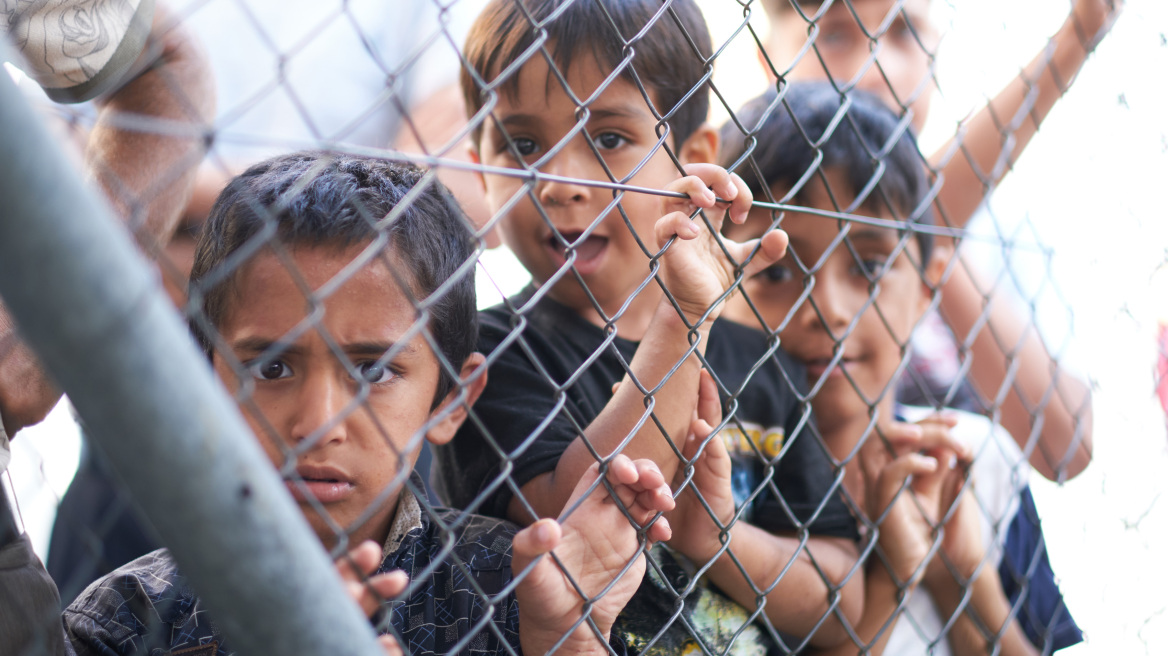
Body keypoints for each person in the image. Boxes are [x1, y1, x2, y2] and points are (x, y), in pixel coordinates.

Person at [1, 151, 678, 655]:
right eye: (271, 365)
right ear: (202, 380)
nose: (318, 421)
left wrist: (567, 641)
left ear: (451, 399)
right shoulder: (125, 620)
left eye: (375, 370)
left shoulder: (513, 589)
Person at [432, 0, 865, 651]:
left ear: (690, 160)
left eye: (607, 139)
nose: (560, 182)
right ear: (481, 165)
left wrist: (719, 538)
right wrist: (685, 317)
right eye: (522, 145)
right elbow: (576, 518)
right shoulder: (490, 352)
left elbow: (842, 600)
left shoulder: (756, 358)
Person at [719, 82, 1082, 654]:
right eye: (776, 270)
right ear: (715, 282)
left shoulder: (974, 463)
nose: (828, 309)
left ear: (924, 289)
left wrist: (957, 573)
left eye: (867, 265)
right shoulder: (712, 488)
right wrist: (893, 574)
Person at [753, 0, 1122, 481]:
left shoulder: (999, 227)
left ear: (936, 52)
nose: (875, 71)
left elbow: (1064, 447)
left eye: (904, 33)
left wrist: (930, 247)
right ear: (766, 60)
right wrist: (1073, 40)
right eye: (836, 36)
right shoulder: (744, 206)